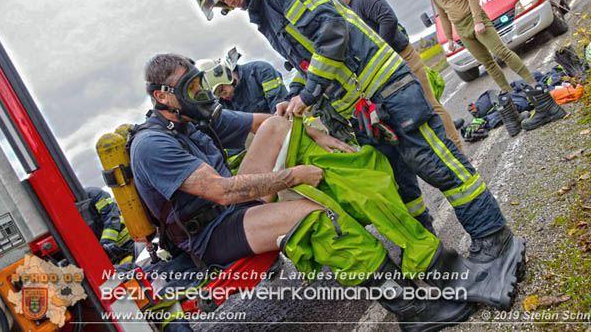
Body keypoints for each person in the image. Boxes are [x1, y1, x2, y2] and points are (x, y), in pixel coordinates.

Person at [185, 0, 525, 281]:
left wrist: (309, 93)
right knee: (396, 184)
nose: (226, 1)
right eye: (218, 1)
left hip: (386, 89)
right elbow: (308, 59)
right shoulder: (266, 13)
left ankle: (494, 237)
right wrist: (292, 95)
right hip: (365, 108)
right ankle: (428, 252)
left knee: (438, 164)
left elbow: (331, 32)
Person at [129, 53, 524, 329]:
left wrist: (313, 131)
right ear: (162, 95)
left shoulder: (189, 122)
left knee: (280, 125)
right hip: (210, 234)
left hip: (233, 208)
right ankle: (410, 307)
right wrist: (294, 176)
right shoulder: (152, 144)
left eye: (200, 83)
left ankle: (429, 261)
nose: (202, 93)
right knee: (313, 215)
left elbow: (267, 122)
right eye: (191, 87)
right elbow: (220, 192)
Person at [417, 0, 565, 133]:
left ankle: (532, 83)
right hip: (462, 30)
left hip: (476, 21)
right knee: (487, 63)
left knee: (502, 52)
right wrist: (449, 39)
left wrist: (478, 21)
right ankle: (510, 95)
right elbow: (443, 16)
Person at [320, 0, 463, 151]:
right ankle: (440, 151)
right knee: (411, 113)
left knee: (428, 104)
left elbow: (388, 19)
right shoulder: (346, 16)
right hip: (387, 69)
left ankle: (459, 153)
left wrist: (380, 50)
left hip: (404, 57)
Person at [199, 48, 288, 114]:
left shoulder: (261, 71)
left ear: (224, 76)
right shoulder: (221, 103)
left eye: (221, 91)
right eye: (218, 95)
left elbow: (279, 104)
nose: (223, 97)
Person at [84, 186, 135, 263]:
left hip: (129, 242)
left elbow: (112, 218)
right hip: (110, 254)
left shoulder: (95, 194)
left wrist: (105, 244)